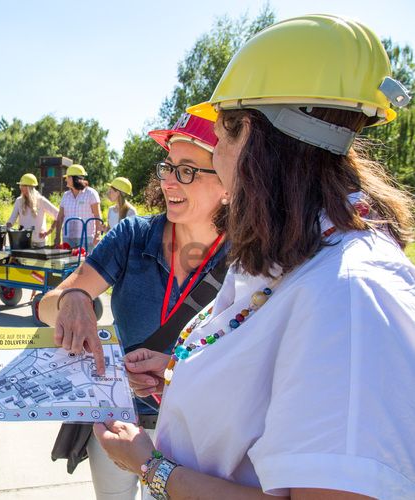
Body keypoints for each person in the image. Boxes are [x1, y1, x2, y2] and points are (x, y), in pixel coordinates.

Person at [94, 14, 415, 499]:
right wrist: (184, 377)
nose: (216, 158)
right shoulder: (289, 256)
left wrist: (151, 466)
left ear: (253, 138)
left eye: (221, 135)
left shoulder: (351, 297)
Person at [39, 113, 229, 500]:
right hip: (117, 419)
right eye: (168, 167)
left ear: (229, 179)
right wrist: (74, 299)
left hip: (199, 433)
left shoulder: (250, 257)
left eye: (188, 170)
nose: (169, 181)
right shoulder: (133, 235)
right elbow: (46, 307)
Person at [54, 164, 103, 251]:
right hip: (68, 238)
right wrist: (57, 237)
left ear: (75, 179)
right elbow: (60, 217)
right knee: (68, 264)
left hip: (86, 239)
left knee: (86, 264)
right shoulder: (66, 195)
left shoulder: (91, 193)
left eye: (68, 177)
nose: (66, 179)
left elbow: (97, 216)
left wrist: (97, 235)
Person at [6, 173, 59, 247]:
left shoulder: (41, 200)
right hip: (23, 240)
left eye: (23, 185)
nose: (20, 187)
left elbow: (58, 214)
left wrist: (49, 231)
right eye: (20, 185)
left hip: (39, 242)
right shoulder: (19, 201)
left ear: (29, 187)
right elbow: (12, 218)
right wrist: (6, 227)